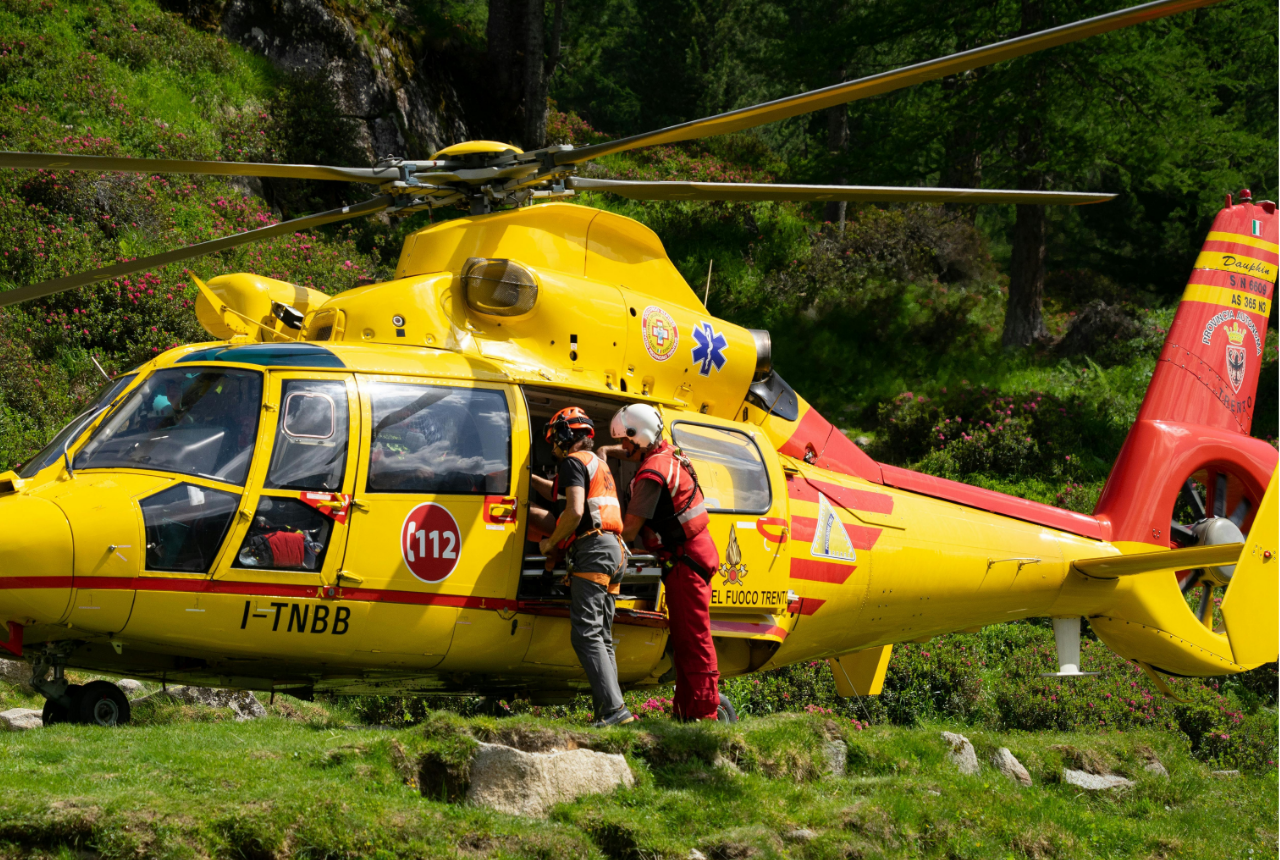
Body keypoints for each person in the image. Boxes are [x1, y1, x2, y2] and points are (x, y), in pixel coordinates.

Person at [601, 403, 721, 722]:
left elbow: (628, 530)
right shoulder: (669, 453)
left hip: (686, 561)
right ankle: (686, 715)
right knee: (685, 640)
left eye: (625, 440)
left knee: (693, 641)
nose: (623, 446)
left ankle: (705, 715)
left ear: (639, 436)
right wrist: (606, 451)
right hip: (692, 554)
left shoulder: (652, 473)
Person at [528, 406, 635, 728]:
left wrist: (550, 543)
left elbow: (574, 512)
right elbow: (557, 491)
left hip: (593, 551)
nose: (553, 448)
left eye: (554, 440)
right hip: (615, 551)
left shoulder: (573, 462)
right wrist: (525, 478)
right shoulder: (595, 463)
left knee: (586, 634)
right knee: (601, 635)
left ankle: (614, 711)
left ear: (565, 436)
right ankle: (611, 713)